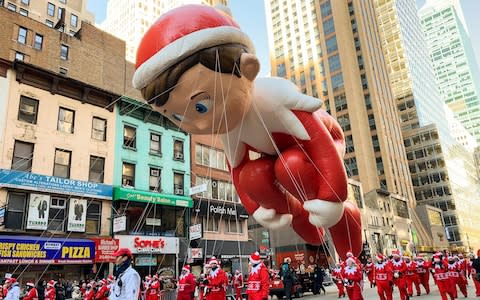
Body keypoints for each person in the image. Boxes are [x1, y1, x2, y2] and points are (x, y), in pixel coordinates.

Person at [133, 3, 363, 258]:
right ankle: (300, 216)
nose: (197, 126)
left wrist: (332, 196)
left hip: (325, 143)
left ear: (248, 69)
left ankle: (346, 229)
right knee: (253, 175)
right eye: (176, 116)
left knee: (292, 165)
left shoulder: (275, 99)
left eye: (200, 106)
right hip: (278, 158)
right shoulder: (230, 131)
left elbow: (321, 142)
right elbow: (238, 171)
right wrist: (255, 207)